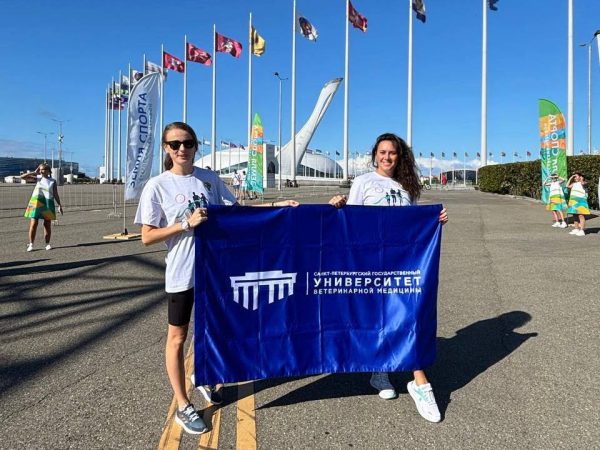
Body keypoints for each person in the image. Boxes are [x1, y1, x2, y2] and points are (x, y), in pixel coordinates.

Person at [135, 122, 298, 435]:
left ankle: (206, 377)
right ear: (166, 149)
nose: (182, 149)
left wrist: (277, 206)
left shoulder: (208, 179)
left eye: (188, 142)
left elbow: (236, 212)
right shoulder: (157, 186)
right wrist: (185, 224)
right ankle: (183, 404)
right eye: (174, 144)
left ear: (196, 145)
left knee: (214, 329)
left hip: (216, 271)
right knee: (178, 337)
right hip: (183, 272)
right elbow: (147, 236)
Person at [346, 133, 448, 423]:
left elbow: (412, 226)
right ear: (375, 155)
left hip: (402, 263)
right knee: (379, 316)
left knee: (408, 314)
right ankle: (380, 371)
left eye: (392, 152)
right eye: (382, 152)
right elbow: (350, 221)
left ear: (399, 156)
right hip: (371, 262)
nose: (387, 157)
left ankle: (419, 381)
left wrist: (435, 220)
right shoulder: (363, 182)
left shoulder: (407, 187)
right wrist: (337, 206)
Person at [21, 163, 63, 251]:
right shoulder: (38, 178)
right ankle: (31, 244)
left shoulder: (52, 181)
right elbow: (23, 177)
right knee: (33, 223)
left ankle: (47, 244)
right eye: (40, 169)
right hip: (36, 203)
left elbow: (55, 194)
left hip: (48, 203)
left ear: (48, 171)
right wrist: (34, 172)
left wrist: (59, 205)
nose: (41, 171)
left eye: (43, 169)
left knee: (47, 224)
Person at [566, 172, 589, 237]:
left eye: (576, 176)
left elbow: (583, 184)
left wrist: (581, 179)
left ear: (580, 177)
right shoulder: (574, 184)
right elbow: (567, 186)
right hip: (573, 201)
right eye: (574, 177)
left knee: (581, 215)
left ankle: (582, 230)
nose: (575, 178)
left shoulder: (584, 182)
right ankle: (576, 229)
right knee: (575, 215)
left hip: (581, 201)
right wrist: (571, 177)